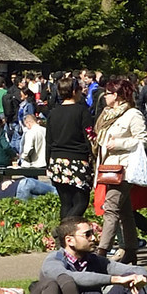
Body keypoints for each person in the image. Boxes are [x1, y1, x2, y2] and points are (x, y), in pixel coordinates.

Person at [92, 78, 147, 264]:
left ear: (116, 95)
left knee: (111, 209)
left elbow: (142, 140)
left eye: (107, 93)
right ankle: (131, 252)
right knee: (125, 212)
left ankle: (101, 252)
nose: (104, 97)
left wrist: (119, 143)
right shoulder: (107, 114)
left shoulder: (133, 114)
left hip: (124, 169)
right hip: (108, 167)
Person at [45, 77, 95, 223]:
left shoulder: (53, 113)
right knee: (81, 202)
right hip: (77, 160)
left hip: (56, 160)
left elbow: (49, 140)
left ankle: (64, 238)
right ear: (74, 91)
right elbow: (89, 137)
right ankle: (64, 229)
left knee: (66, 203)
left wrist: (48, 162)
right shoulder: (82, 111)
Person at [5, 107, 54, 199]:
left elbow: (28, 149)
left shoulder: (31, 132)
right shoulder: (45, 130)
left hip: (35, 162)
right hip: (46, 161)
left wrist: (22, 157)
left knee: (27, 176)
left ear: (28, 123)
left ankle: (32, 194)